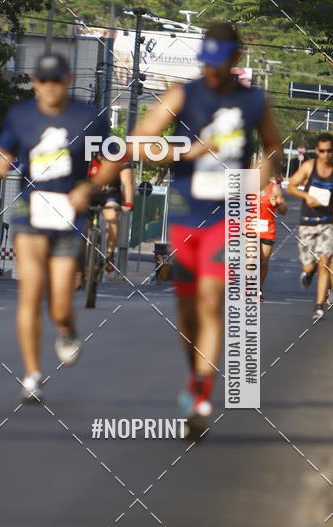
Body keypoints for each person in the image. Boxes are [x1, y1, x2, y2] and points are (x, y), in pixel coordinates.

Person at [92, 22, 282, 438]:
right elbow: (139, 142)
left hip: (228, 213)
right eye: (207, 64)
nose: (212, 73)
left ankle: (200, 392)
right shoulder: (183, 93)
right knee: (188, 311)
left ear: (235, 58)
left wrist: (264, 178)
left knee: (212, 303)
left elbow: (272, 147)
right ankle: (194, 374)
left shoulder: (255, 101)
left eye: (219, 64)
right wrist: (186, 151)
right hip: (184, 213)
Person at [0, 53, 109, 403]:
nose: (49, 88)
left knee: (59, 302)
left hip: (69, 215)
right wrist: (0, 161)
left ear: (69, 80)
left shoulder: (88, 118)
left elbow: (116, 158)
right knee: (30, 292)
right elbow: (2, 151)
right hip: (30, 213)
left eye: (56, 81)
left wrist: (89, 187)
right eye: (43, 82)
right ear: (34, 82)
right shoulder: (22, 114)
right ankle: (31, 375)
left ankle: (66, 327)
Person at [286, 132, 333, 322]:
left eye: (330, 151)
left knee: (325, 263)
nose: (326, 154)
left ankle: (319, 305)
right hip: (307, 222)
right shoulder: (308, 167)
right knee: (309, 265)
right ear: (316, 150)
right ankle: (309, 271)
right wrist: (306, 197)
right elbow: (291, 186)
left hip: (328, 223)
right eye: (322, 151)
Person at [88, 156, 134, 272]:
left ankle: (109, 256)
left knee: (112, 216)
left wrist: (128, 203)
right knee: (81, 223)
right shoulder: (86, 155)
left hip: (110, 195)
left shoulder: (120, 157)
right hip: (88, 195)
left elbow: (127, 182)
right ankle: (79, 266)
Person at [259, 174, 286, 301]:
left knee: (263, 261)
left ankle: (258, 288)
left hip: (267, 230)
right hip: (249, 229)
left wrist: (276, 204)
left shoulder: (274, 189)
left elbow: (284, 210)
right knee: (251, 259)